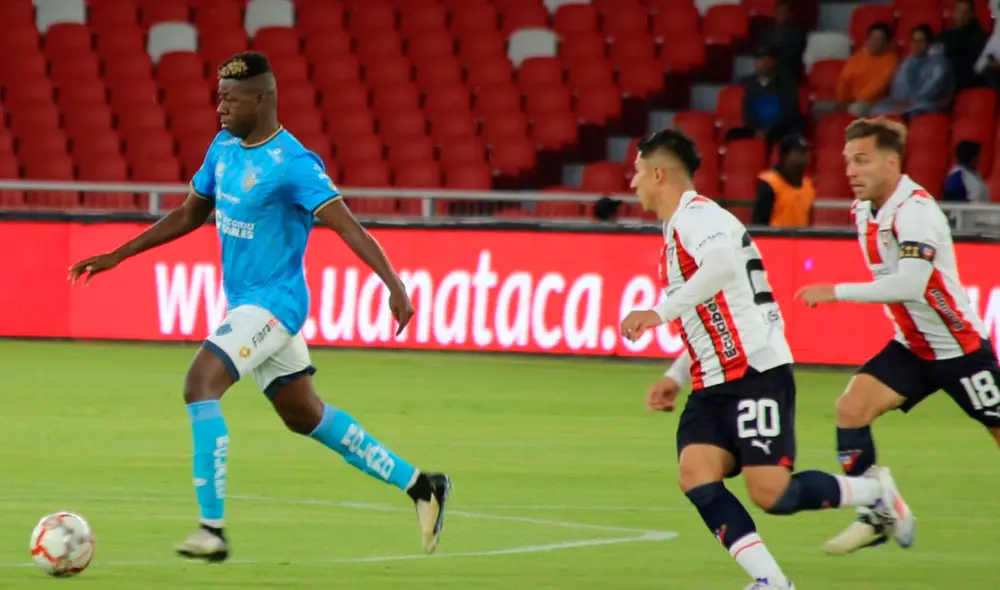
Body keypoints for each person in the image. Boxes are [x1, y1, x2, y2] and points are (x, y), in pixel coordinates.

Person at [67, 52, 451, 562]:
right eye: (219, 95)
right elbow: (188, 214)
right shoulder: (223, 148)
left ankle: (212, 529)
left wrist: (394, 283)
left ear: (263, 98)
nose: (220, 105)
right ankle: (421, 486)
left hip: (275, 304)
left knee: (199, 384)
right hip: (252, 303)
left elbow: (346, 224)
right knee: (303, 414)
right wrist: (119, 254)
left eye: (231, 97)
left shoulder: (293, 163)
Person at [619, 129, 911, 590]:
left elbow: (720, 268)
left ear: (658, 173)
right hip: (713, 376)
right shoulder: (681, 226)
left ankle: (877, 493)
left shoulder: (697, 217)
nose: (632, 181)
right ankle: (772, 582)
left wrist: (656, 313)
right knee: (695, 473)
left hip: (754, 369)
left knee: (770, 493)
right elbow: (708, 307)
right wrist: (676, 374)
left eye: (636, 171)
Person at [796, 117, 1000, 556]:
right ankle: (878, 514)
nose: (851, 170)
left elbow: (911, 284)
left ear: (892, 164)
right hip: (913, 346)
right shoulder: (863, 211)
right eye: (848, 161)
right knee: (851, 409)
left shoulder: (916, 212)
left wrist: (835, 291)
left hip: (959, 349)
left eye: (863, 161)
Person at [871, 25, 954, 117]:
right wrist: (900, 102)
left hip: (930, 104)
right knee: (878, 108)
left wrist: (910, 102)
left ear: (929, 43)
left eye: (921, 41)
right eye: (914, 41)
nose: (916, 45)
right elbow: (897, 87)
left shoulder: (939, 64)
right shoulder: (906, 62)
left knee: (914, 112)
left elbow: (932, 90)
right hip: (905, 103)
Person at [741, 46, 802, 146]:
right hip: (757, 133)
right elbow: (747, 113)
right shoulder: (751, 84)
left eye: (764, 59)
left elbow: (789, 114)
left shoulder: (787, 83)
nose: (759, 63)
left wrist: (769, 132)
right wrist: (757, 130)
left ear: (772, 62)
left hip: (781, 133)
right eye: (758, 59)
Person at [751, 134, 815, 227]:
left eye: (806, 152)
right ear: (785, 156)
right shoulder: (769, 184)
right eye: (800, 152)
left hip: (801, 240)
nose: (805, 156)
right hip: (775, 240)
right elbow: (758, 225)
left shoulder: (808, 186)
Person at [837, 22, 899, 117]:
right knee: (819, 107)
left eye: (879, 39)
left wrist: (853, 101)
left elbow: (878, 86)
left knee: (855, 109)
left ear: (887, 43)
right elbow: (843, 79)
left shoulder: (891, 61)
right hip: (848, 101)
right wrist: (841, 101)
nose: (874, 42)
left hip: (872, 104)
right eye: (872, 38)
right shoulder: (857, 57)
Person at [939, 0, 988, 90]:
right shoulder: (946, 35)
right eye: (958, 11)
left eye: (965, 12)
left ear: (972, 14)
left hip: (962, 82)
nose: (961, 16)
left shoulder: (979, 37)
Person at [754, 0, 807, 81]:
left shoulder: (798, 31)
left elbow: (794, 52)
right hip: (768, 66)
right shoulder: (766, 30)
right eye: (778, 11)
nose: (780, 14)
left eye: (783, 12)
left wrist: (774, 60)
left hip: (788, 68)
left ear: (789, 14)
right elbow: (760, 47)